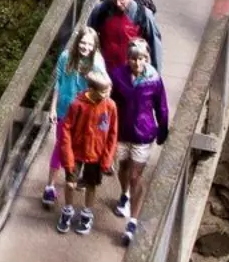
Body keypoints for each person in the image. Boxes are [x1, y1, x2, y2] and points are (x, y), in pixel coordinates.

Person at [111, 38, 171, 246]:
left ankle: (133, 221)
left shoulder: (154, 79)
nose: (137, 63)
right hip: (121, 132)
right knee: (123, 167)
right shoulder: (117, 75)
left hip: (143, 134)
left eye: (142, 58)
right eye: (134, 58)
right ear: (128, 58)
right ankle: (124, 194)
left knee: (136, 176)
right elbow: (109, 100)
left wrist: (163, 129)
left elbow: (161, 107)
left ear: (147, 58)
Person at [42, 27, 101, 209]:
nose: (85, 47)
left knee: (81, 148)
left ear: (94, 46)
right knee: (60, 147)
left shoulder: (97, 63)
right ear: (77, 42)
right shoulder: (66, 57)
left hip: (85, 114)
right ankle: (50, 186)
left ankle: (74, 178)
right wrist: (52, 108)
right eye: (83, 43)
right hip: (64, 110)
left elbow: (105, 89)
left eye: (89, 44)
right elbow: (58, 83)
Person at [55, 68, 118, 237]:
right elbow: (66, 130)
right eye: (104, 91)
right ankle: (67, 209)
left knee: (91, 184)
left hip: (96, 153)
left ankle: (86, 213)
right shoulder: (77, 105)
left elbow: (112, 133)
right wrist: (67, 157)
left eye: (109, 90)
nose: (108, 94)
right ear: (92, 89)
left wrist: (107, 158)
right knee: (70, 183)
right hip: (76, 151)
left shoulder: (110, 106)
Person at [90, 0, 162, 77]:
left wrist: (156, 76)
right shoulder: (101, 10)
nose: (117, 4)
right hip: (105, 73)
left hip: (133, 73)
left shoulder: (144, 15)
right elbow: (90, 37)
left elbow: (155, 44)